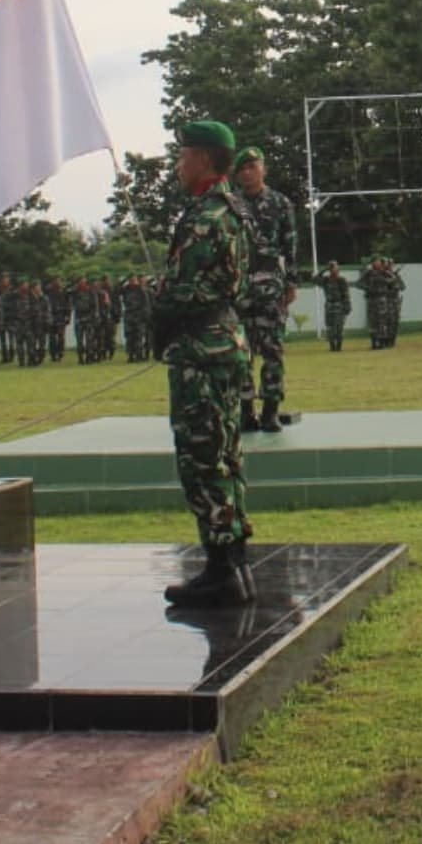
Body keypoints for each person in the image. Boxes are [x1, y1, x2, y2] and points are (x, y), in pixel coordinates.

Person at [153, 120, 253, 608]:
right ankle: (235, 561)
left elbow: (183, 290)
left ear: (204, 159)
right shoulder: (232, 208)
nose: (178, 164)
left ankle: (220, 573)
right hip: (225, 340)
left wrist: (158, 315)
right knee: (226, 454)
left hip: (200, 348)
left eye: (183, 155)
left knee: (201, 457)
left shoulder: (204, 216)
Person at [232, 146, 298, 432]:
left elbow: (290, 244)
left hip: (271, 286)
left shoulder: (280, 203)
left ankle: (271, 411)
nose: (248, 173)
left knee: (272, 350)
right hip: (239, 288)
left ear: (263, 170)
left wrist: (291, 282)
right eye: (243, 169)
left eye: (253, 167)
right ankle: (246, 411)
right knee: (240, 352)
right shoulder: (231, 204)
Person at [315, 261, 352, 351]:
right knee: (330, 327)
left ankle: (339, 346)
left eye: (334, 268)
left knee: (339, 327)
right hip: (329, 305)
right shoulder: (326, 280)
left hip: (339, 305)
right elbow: (315, 280)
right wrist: (323, 270)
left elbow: (346, 294)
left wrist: (347, 306)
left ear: (338, 269)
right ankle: (332, 346)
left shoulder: (341, 280)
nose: (332, 270)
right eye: (331, 268)